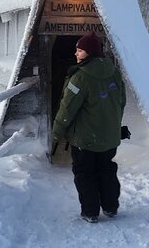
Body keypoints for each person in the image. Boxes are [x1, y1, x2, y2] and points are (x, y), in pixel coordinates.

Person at [52, 31, 126, 223]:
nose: (76, 53)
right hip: (110, 138)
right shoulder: (115, 73)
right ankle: (110, 208)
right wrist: (112, 124)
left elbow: (67, 109)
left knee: (85, 174)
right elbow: (121, 102)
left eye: (80, 50)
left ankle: (90, 212)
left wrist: (56, 133)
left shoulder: (80, 78)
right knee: (107, 171)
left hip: (85, 140)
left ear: (90, 52)